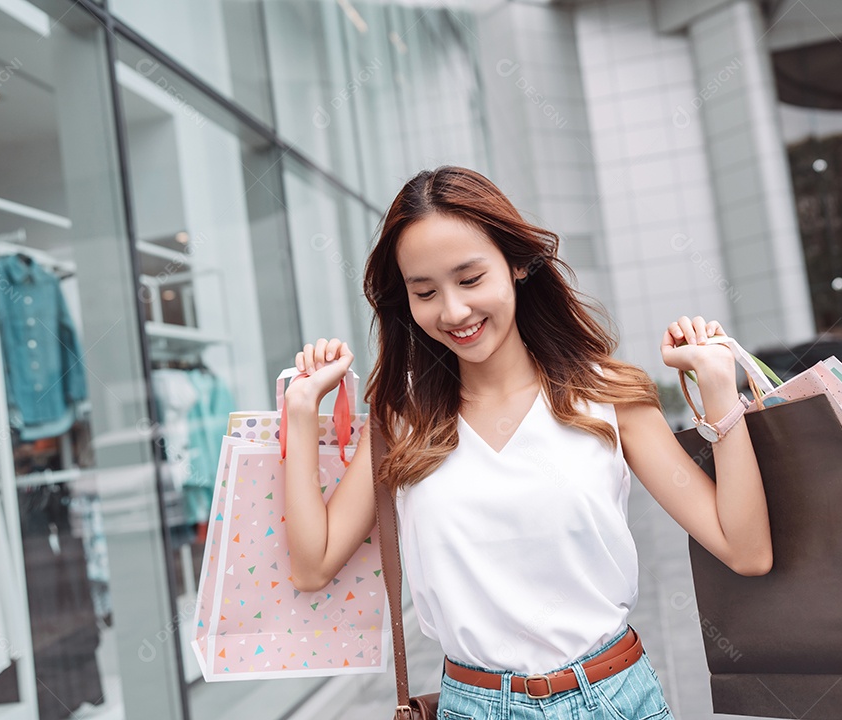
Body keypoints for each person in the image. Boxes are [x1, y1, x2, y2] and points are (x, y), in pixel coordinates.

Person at [283, 166, 771, 720]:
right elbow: (312, 566)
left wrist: (718, 389)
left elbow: (747, 552)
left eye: (470, 279)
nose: (453, 311)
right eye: (425, 292)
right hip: (473, 706)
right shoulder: (403, 420)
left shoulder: (607, 396)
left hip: (613, 699)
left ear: (517, 265)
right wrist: (302, 411)